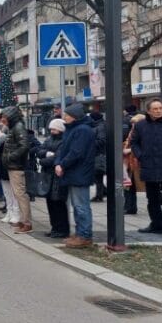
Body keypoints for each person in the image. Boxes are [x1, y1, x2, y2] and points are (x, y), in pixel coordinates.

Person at [131, 98, 162, 240]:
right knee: (152, 199)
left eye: (160, 108)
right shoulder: (140, 125)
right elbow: (134, 143)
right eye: (155, 109)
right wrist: (141, 156)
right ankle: (156, 224)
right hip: (149, 167)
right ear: (148, 111)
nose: (158, 111)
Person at [55, 103, 96, 248]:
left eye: (66, 115)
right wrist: (59, 162)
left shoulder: (83, 130)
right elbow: (64, 149)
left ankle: (85, 236)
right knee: (77, 205)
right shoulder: (74, 129)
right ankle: (80, 233)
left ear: (75, 116)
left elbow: (76, 152)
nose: (64, 117)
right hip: (74, 173)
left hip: (80, 173)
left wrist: (62, 164)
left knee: (81, 206)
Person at [35, 119, 69, 238]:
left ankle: (62, 229)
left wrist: (44, 159)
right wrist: (47, 154)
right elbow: (39, 151)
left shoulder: (64, 141)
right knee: (50, 203)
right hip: (47, 176)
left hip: (58, 176)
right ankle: (54, 227)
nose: (52, 131)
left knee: (58, 203)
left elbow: (58, 157)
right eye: (51, 129)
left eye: (55, 129)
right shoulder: (49, 139)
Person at [1, 106, 32, 234]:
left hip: (17, 166)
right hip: (13, 165)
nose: (3, 119)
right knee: (18, 194)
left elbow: (24, 146)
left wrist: (10, 157)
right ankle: (23, 220)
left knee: (20, 194)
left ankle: (27, 223)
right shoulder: (14, 127)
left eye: (5, 117)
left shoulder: (18, 127)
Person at [123, 114, 147, 215]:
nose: (133, 125)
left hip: (137, 163)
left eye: (135, 123)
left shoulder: (143, 133)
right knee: (128, 186)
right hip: (129, 163)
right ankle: (129, 207)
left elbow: (141, 146)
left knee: (133, 186)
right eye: (132, 123)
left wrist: (128, 150)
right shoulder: (132, 132)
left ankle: (130, 207)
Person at [90, 111, 107, 202]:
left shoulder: (100, 127)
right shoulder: (98, 125)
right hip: (98, 154)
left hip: (99, 154)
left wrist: (89, 143)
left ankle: (99, 195)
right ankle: (102, 192)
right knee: (98, 176)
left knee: (98, 175)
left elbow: (102, 141)